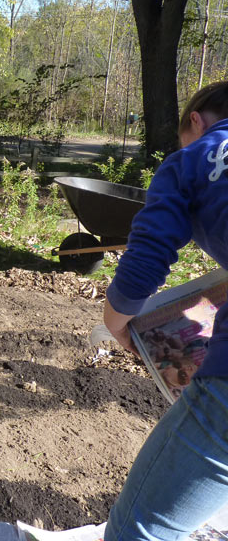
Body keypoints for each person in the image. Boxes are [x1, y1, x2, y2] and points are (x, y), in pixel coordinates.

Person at [102, 81, 228, 541]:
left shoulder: (194, 158)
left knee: (139, 529)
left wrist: (115, 326)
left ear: (196, 120)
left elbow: (146, 259)